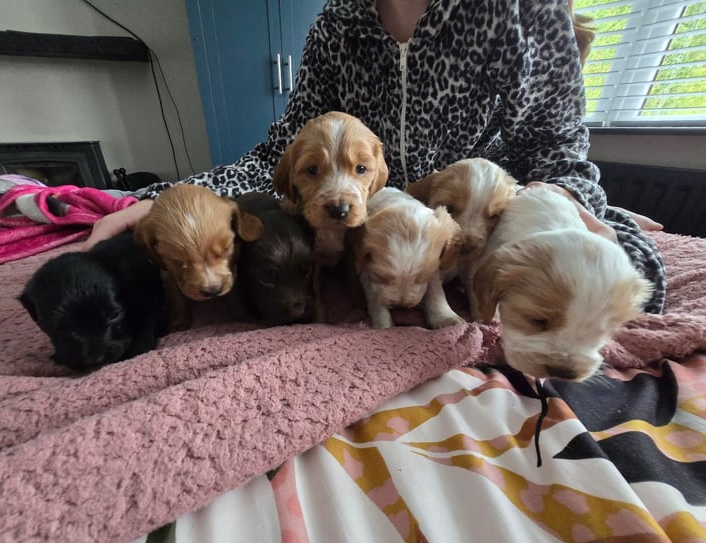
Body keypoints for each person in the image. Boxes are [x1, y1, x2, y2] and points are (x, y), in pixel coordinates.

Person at [85, 0, 666, 314]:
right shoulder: (336, 24)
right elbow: (278, 155)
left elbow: (560, 153)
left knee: (635, 287)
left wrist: (569, 202)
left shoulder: (526, 12)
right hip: (365, 245)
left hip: (473, 233)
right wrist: (158, 201)